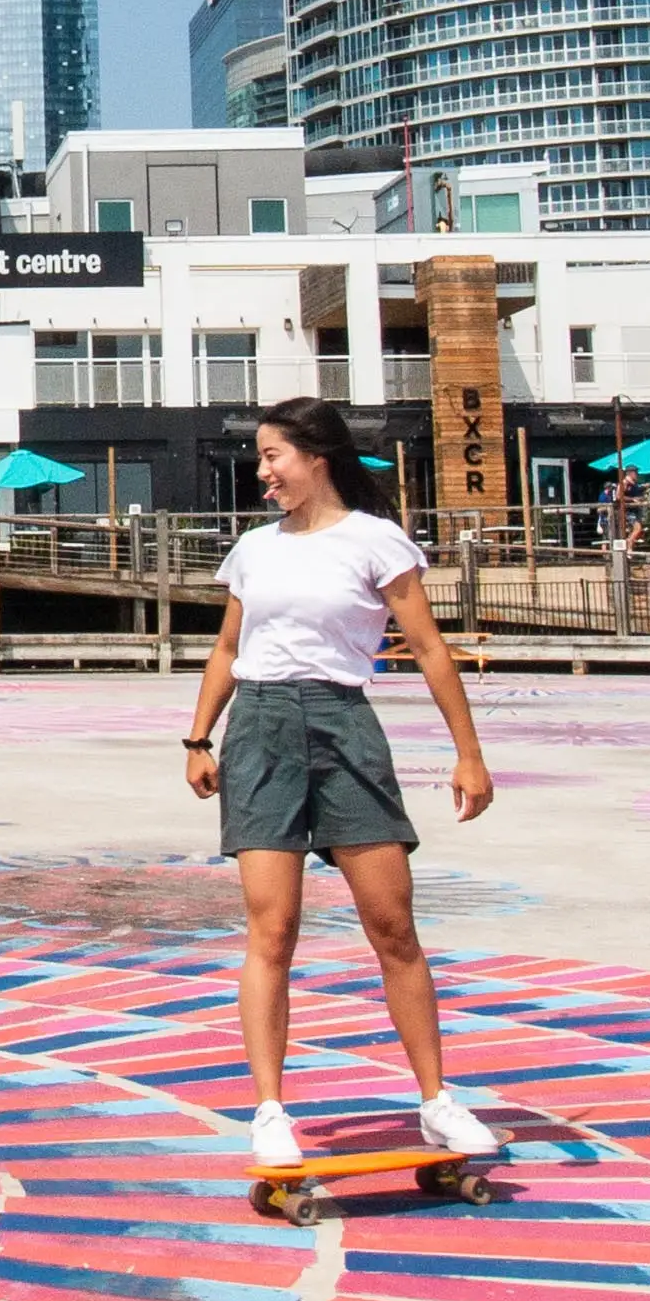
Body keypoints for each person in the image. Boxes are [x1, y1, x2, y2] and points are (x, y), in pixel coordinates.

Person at [182, 396, 499, 1173]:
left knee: (393, 926)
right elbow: (228, 648)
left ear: (314, 456)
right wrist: (198, 737)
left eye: (272, 457)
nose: (263, 473)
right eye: (261, 459)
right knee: (274, 931)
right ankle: (269, 1111)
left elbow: (427, 649)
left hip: (344, 724)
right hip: (258, 729)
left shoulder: (375, 542)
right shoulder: (255, 551)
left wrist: (469, 754)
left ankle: (435, 1102)